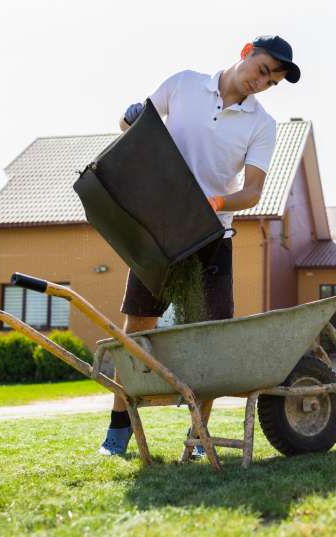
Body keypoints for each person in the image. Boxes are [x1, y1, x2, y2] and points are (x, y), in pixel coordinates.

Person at [99, 35, 301, 457]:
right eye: (263, 70)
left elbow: (253, 192)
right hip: (161, 229)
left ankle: (196, 440)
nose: (262, 83)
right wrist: (129, 115)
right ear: (246, 52)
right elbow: (131, 126)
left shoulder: (261, 124)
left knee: (210, 340)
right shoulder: (184, 84)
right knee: (136, 329)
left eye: (272, 82)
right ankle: (117, 433)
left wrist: (216, 203)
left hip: (212, 237)